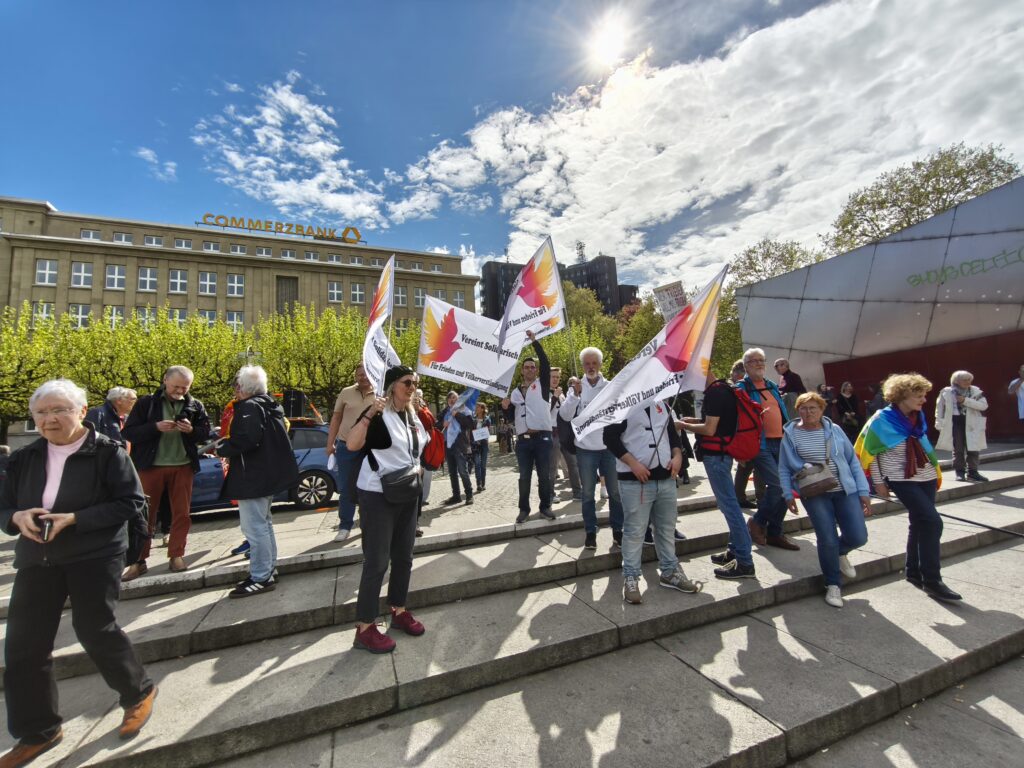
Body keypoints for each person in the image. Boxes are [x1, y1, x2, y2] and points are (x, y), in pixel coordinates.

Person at [0, 380, 156, 766]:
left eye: (59, 410)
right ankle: (39, 730)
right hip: (38, 557)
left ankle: (137, 693)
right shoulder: (25, 457)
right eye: (41, 413)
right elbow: (4, 506)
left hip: (95, 554)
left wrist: (74, 519)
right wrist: (16, 517)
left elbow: (131, 503)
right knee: (23, 646)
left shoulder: (107, 452)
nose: (49, 419)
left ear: (82, 412)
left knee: (94, 629)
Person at [856, 373, 961, 602]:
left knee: (919, 522)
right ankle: (932, 580)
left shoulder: (917, 417)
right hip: (900, 479)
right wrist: (879, 483)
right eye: (918, 395)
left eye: (924, 395)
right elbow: (870, 453)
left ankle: (913, 572)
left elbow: (923, 446)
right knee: (933, 522)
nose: (924, 400)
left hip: (926, 476)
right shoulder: (881, 420)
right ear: (902, 396)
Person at [346, 365, 429, 653]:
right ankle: (365, 627)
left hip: (407, 492)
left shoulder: (413, 416)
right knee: (377, 562)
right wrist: (370, 413)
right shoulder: (380, 414)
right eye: (407, 382)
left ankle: (398, 610)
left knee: (404, 557)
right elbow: (353, 444)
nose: (412, 387)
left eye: (414, 383)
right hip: (377, 495)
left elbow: (419, 449)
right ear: (392, 385)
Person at [778, 392, 870, 608]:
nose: (808, 412)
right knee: (827, 538)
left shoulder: (835, 430)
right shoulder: (790, 434)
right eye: (803, 408)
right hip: (814, 492)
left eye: (813, 408)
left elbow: (852, 461)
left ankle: (840, 552)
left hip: (845, 489)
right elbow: (783, 467)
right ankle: (833, 584)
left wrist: (863, 489)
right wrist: (787, 494)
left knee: (858, 536)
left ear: (822, 410)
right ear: (797, 410)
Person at [215, 366, 299, 597]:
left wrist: (222, 447)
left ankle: (261, 577)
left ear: (243, 388)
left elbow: (247, 440)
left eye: (236, 386)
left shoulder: (249, 407)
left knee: (254, 528)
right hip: (267, 473)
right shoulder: (270, 405)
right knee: (264, 524)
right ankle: (268, 570)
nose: (235, 390)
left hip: (252, 476)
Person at [122, 365, 211, 580]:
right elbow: (129, 433)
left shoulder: (195, 405)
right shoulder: (146, 403)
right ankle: (138, 560)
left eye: (185, 387)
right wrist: (155, 427)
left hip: (183, 466)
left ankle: (176, 555)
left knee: (182, 513)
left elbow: (205, 433)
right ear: (165, 380)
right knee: (144, 515)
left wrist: (191, 430)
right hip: (150, 466)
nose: (180, 391)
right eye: (176, 386)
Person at [605, 400, 699, 603]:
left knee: (666, 528)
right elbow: (610, 438)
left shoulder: (662, 404)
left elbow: (673, 436)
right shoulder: (623, 404)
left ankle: (670, 571)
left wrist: (677, 456)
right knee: (634, 531)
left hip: (665, 478)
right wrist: (633, 464)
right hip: (635, 480)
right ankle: (631, 577)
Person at [680, 375, 756, 580]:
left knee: (729, 507)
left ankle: (745, 562)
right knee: (728, 504)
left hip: (716, 457)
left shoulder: (714, 393)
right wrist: (695, 421)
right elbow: (718, 423)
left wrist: (683, 426)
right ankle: (734, 551)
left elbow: (710, 429)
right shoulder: (724, 389)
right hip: (722, 454)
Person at [559, 346, 625, 549]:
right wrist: (575, 395)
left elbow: (620, 414)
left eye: (594, 363)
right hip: (585, 449)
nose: (591, 367)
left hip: (609, 448)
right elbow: (565, 416)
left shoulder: (611, 386)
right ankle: (590, 532)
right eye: (587, 364)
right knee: (588, 494)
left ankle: (618, 531)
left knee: (615, 492)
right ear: (582, 366)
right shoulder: (576, 388)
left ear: (600, 364)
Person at [740, 349, 800, 551]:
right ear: (746, 365)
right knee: (778, 485)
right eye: (753, 361)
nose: (759, 364)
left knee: (786, 486)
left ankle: (775, 532)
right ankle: (757, 521)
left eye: (761, 360)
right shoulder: (741, 388)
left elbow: (782, 413)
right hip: (761, 444)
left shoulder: (771, 385)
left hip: (781, 441)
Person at [502, 331, 555, 523]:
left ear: (537, 370)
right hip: (523, 441)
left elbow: (545, 362)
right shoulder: (515, 392)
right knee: (524, 477)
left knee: (544, 475)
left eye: (533, 367)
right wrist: (505, 408)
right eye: (527, 367)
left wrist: (534, 341)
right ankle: (523, 509)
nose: (530, 369)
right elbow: (511, 418)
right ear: (522, 371)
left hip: (542, 438)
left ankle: (545, 507)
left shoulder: (543, 385)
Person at [325, 363, 377, 542]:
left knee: (369, 487)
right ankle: (345, 526)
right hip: (346, 447)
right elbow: (336, 418)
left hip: (370, 448)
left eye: (366, 374)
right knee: (347, 488)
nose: (363, 377)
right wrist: (330, 444)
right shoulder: (345, 392)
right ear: (355, 376)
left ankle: (367, 524)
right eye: (359, 374)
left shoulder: (380, 393)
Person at [935, 371, 989, 482]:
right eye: (964, 380)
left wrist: (965, 400)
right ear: (956, 381)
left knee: (973, 448)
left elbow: (984, 406)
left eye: (969, 380)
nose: (968, 382)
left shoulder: (975, 391)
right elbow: (939, 408)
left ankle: (973, 472)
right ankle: (959, 472)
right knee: (958, 449)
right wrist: (939, 423)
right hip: (955, 422)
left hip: (972, 422)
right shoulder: (947, 392)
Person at [730, 359, 764, 510]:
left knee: (747, 467)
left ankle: (741, 497)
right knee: (750, 466)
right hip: (746, 434)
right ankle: (753, 498)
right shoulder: (738, 388)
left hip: (750, 434)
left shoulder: (746, 386)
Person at [439, 391, 474, 505]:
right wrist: (442, 424)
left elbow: (469, 424)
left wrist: (457, 415)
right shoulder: (445, 411)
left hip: (460, 445)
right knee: (452, 472)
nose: (452, 400)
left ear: (458, 399)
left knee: (463, 471)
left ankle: (469, 495)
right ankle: (456, 496)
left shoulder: (465, 409)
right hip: (448, 444)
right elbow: (437, 424)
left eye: (454, 397)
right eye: (449, 398)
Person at [472, 401, 492, 493]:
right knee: (477, 464)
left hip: (484, 444)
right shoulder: (473, 419)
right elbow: (471, 431)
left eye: (478, 407)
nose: (476, 408)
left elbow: (487, 431)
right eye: (476, 407)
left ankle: (483, 484)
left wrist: (483, 437)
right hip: (475, 445)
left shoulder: (487, 419)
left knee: (483, 465)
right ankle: (478, 484)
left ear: (482, 409)